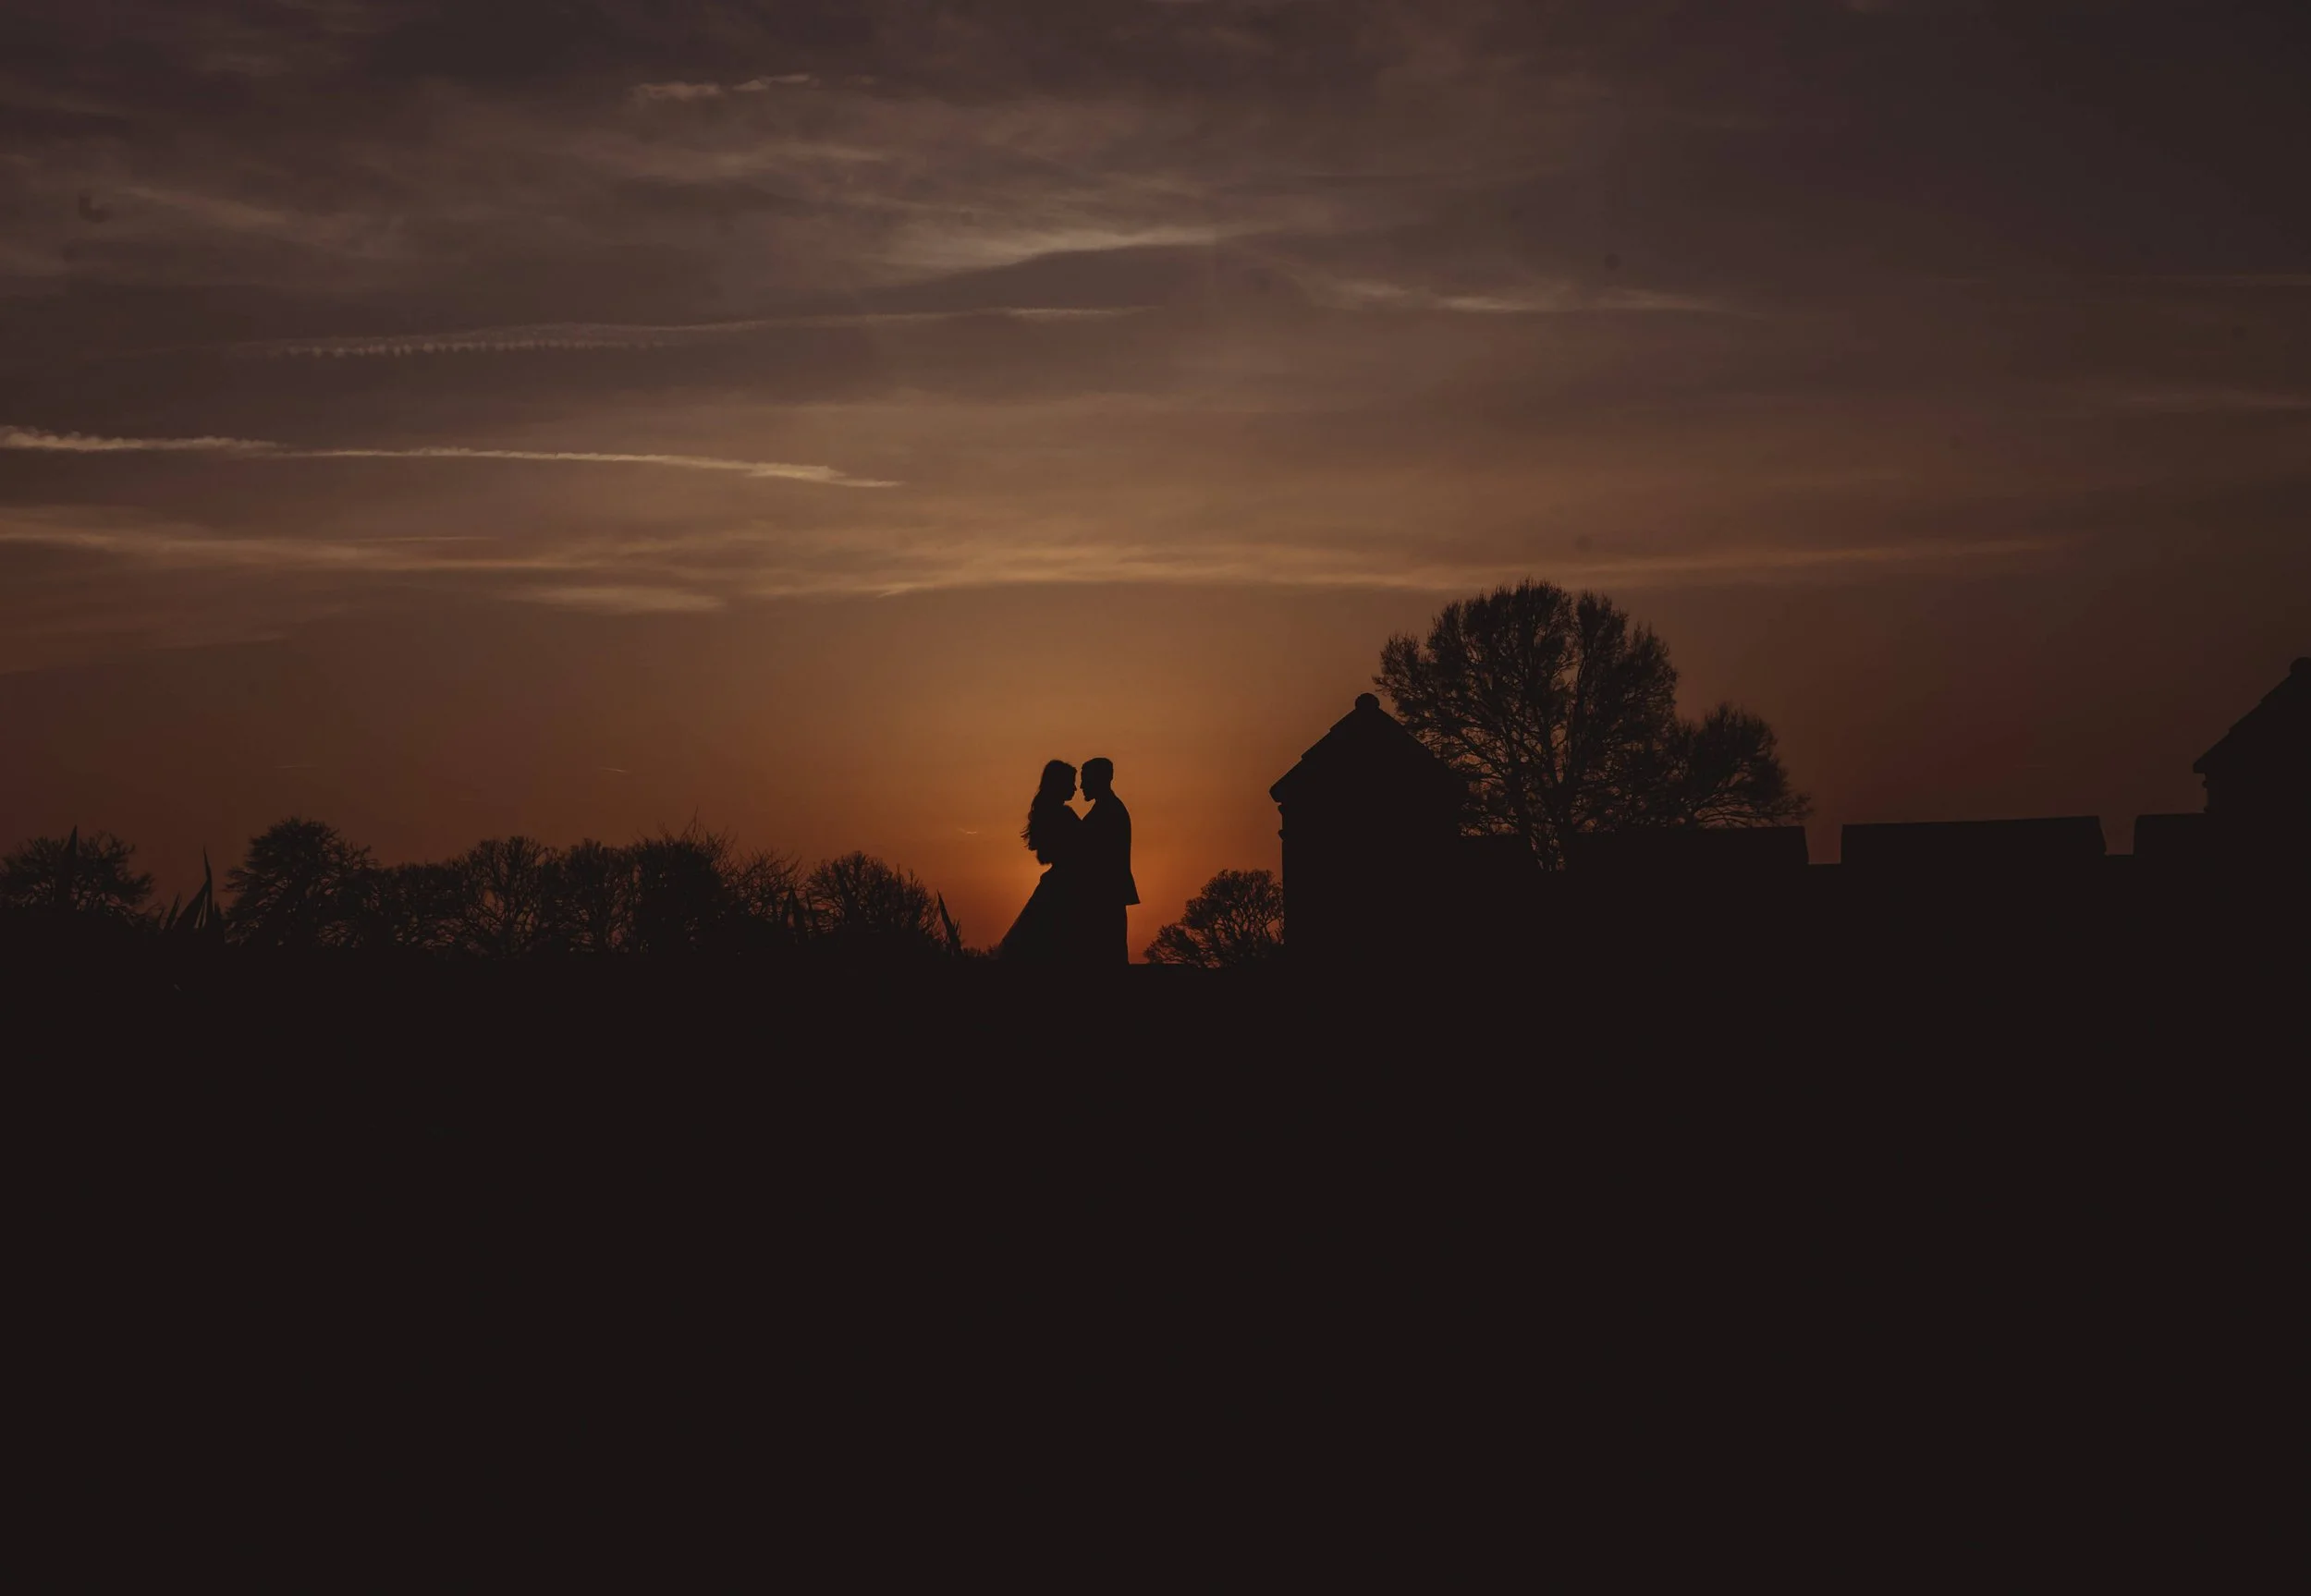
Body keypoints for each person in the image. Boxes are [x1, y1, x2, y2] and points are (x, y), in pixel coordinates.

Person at [997, 761, 1085, 961]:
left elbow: (1044, 855)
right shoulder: (1064, 815)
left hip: (1057, 881)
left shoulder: (1047, 814)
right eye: (1070, 783)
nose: (1074, 788)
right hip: (1068, 886)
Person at [1077, 757, 1138, 965]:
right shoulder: (1107, 809)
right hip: (1104, 893)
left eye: (1086, 779)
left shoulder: (1109, 811)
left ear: (1101, 779)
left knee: (1107, 954)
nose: (1082, 785)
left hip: (1104, 893)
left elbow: (1095, 856)